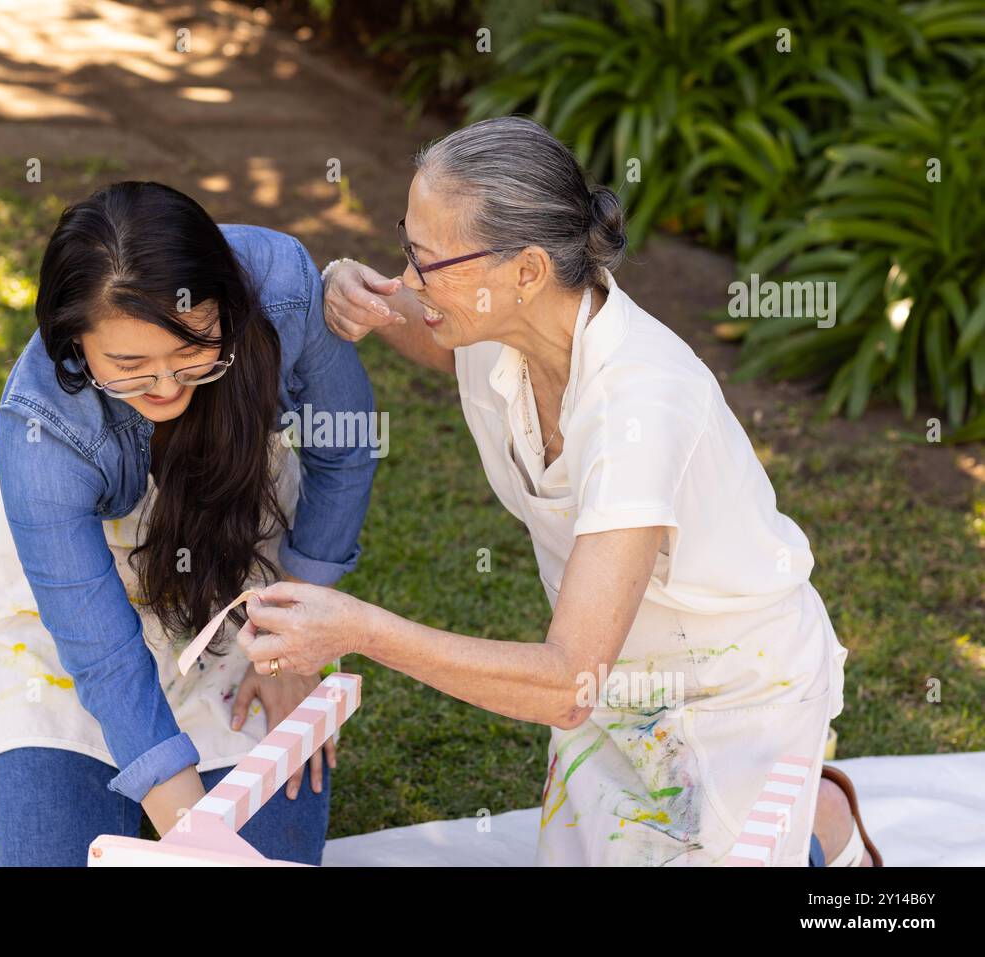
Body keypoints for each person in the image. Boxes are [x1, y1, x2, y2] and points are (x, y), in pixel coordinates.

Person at [238, 116, 879, 866]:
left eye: (427, 262)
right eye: (407, 247)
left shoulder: (640, 407)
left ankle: (819, 817)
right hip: (605, 673)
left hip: (729, 687)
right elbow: (416, 318)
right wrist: (349, 281)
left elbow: (566, 684)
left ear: (527, 271)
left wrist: (361, 630)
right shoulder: (501, 331)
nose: (410, 280)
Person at [0, 181, 378, 865]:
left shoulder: (280, 289)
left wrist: (288, 641)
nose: (165, 387)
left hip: (240, 594)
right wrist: (191, 829)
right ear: (74, 344)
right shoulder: (39, 437)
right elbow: (105, 657)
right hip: (72, 637)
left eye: (192, 351)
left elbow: (347, 445)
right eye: (129, 366)